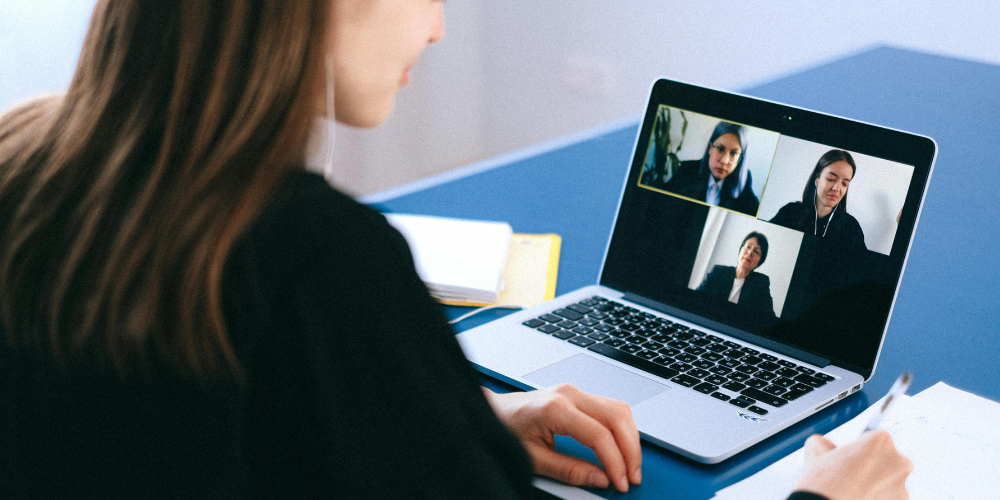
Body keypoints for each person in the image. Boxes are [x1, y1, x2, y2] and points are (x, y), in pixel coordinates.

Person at [0, 1, 910, 499]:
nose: (436, 27)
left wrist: (454, 422)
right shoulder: (323, 263)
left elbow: (189, 422)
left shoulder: (23, 159)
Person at [769, 149, 867, 251]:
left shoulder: (851, 227)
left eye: (844, 184)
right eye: (831, 179)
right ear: (817, 179)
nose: (837, 188)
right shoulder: (790, 212)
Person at [663, 121, 760, 216]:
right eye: (720, 149)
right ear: (710, 148)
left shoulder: (744, 181)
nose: (724, 161)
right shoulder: (688, 170)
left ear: (740, 158)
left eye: (733, 153)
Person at [698, 232, 776, 322]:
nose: (750, 252)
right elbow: (696, 298)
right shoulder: (718, 272)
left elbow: (769, 318)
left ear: (758, 263)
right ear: (740, 250)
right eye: (748, 247)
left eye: (756, 251)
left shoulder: (760, 283)